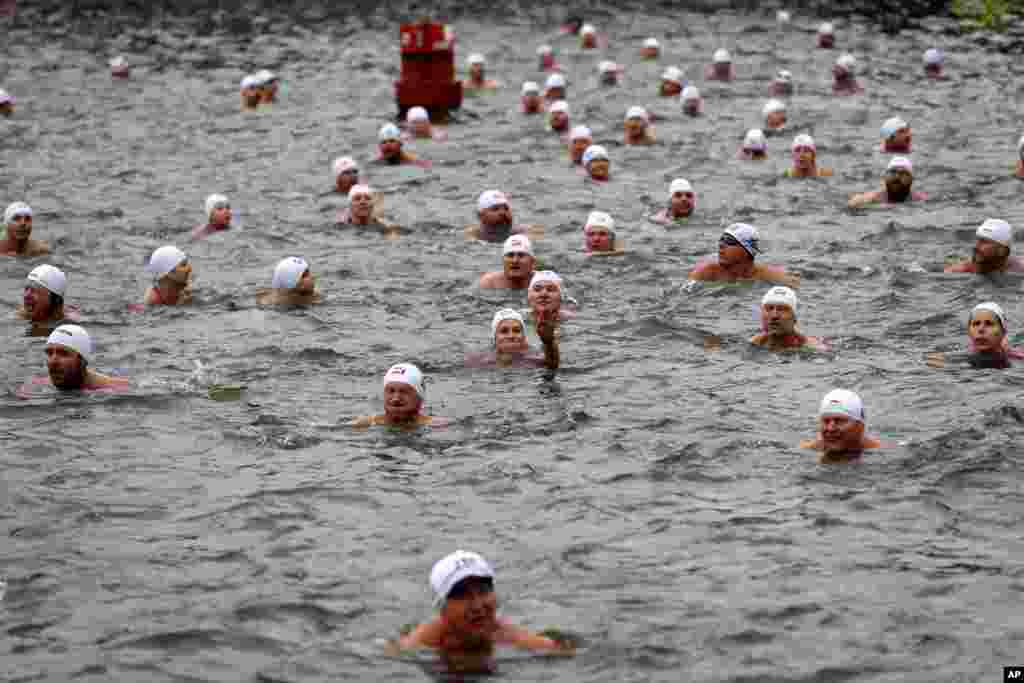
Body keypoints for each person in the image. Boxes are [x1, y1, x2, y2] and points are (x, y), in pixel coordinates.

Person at [389, 550, 573, 658]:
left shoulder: (513, 638)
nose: (477, 606)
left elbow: (564, 651)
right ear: (442, 609)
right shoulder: (419, 644)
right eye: (462, 595)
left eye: (483, 591)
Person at [688, 223, 798, 286]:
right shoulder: (707, 272)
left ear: (747, 250)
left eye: (729, 241)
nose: (721, 244)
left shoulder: (768, 275)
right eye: (721, 239)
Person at [927, 302, 1024, 369]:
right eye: (976, 324)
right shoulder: (960, 356)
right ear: (969, 331)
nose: (981, 329)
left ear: (1003, 332)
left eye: (989, 324)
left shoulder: (1015, 356)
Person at [801, 389, 881, 462]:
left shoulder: (879, 454)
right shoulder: (807, 451)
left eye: (839, 421)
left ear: (860, 425)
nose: (830, 428)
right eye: (826, 421)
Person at [466, 308, 560, 369]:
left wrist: (548, 342)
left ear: (524, 337)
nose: (511, 336)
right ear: (495, 338)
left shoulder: (535, 358)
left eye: (516, 330)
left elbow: (552, 365)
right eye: (504, 331)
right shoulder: (479, 361)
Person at [351, 363, 437, 429]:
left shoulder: (436, 425)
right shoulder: (363, 424)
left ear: (420, 397)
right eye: (391, 391)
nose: (396, 398)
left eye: (403, 392)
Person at [44, 324, 128, 391]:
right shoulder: (40, 384)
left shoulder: (116, 389)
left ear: (83, 361)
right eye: (50, 353)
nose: (53, 361)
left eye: (63, 354)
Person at [750, 286, 828, 351]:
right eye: (769, 308)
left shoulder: (813, 348)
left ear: (794, 318)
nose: (774, 316)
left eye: (782, 309)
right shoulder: (753, 343)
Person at [945, 218, 1024, 273]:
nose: (976, 246)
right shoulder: (958, 271)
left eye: (984, 242)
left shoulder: (1019, 268)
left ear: (1002, 250)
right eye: (978, 240)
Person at [848, 157, 926, 208]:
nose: (897, 176)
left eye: (903, 173)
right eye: (893, 172)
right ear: (885, 177)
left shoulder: (920, 200)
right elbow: (852, 204)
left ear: (911, 179)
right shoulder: (872, 198)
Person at [464, 190, 539, 242]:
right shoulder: (473, 236)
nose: (502, 212)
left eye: (506, 208)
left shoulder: (522, 232)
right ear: (480, 215)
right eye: (495, 209)